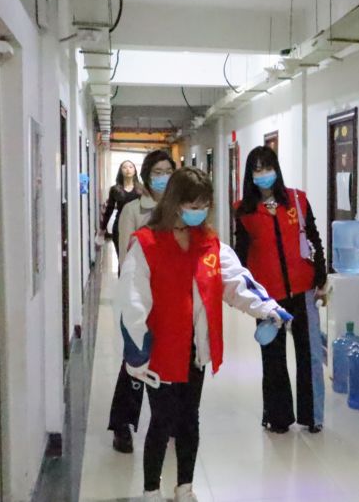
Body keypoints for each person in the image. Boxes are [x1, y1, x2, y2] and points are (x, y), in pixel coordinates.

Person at [115, 166, 292, 502]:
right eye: (191, 205)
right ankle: (151, 490)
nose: (198, 212)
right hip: (159, 352)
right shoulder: (146, 244)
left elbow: (237, 282)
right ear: (174, 202)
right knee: (161, 421)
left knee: (189, 420)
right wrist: (137, 352)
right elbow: (132, 300)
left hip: (195, 350)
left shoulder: (210, 245)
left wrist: (268, 308)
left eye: (203, 206)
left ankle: (185, 487)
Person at [234, 146, 328, 434]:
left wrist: (321, 276)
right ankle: (278, 417)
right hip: (268, 297)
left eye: (267, 167)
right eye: (257, 169)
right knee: (273, 357)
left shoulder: (297, 200)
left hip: (302, 289)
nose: (263, 174)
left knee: (309, 354)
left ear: (276, 169)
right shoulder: (244, 211)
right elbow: (241, 253)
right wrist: (244, 292)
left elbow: (313, 238)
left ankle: (313, 416)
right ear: (250, 175)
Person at [107, 149, 176, 453]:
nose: (163, 177)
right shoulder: (133, 211)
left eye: (168, 172)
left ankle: (169, 421)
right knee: (135, 359)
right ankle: (122, 424)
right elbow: (126, 259)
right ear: (147, 175)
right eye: (157, 172)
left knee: (168, 361)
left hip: (172, 298)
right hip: (141, 297)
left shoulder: (180, 208)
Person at [99, 160, 143, 264]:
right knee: (123, 259)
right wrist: (103, 228)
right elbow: (109, 209)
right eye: (125, 167)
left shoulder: (141, 189)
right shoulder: (115, 189)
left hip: (138, 227)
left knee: (137, 260)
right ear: (121, 171)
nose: (128, 169)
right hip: (120, 226)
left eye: (131, 167)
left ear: (135, 170)